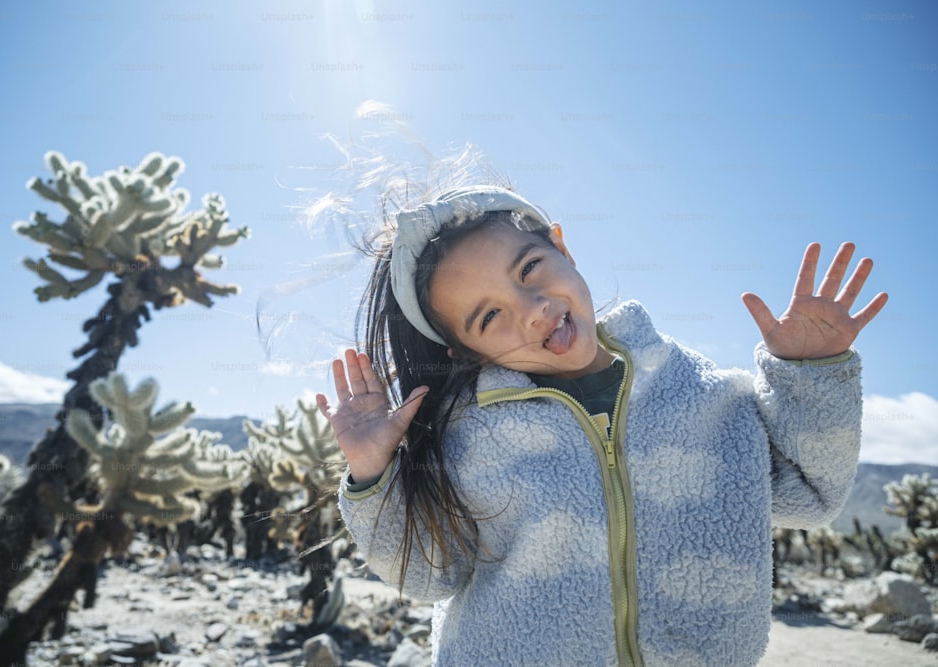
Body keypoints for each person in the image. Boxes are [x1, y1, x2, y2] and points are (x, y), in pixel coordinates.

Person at [314, 185, 888, 666]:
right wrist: (373, 476)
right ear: (467, 353)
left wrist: (810, 375)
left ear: (562, 246)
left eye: (530, 268)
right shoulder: (470, 437)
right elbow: (427, 576)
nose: (532, 308)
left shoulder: (704, 396)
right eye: (490, 317)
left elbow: (810, 495)